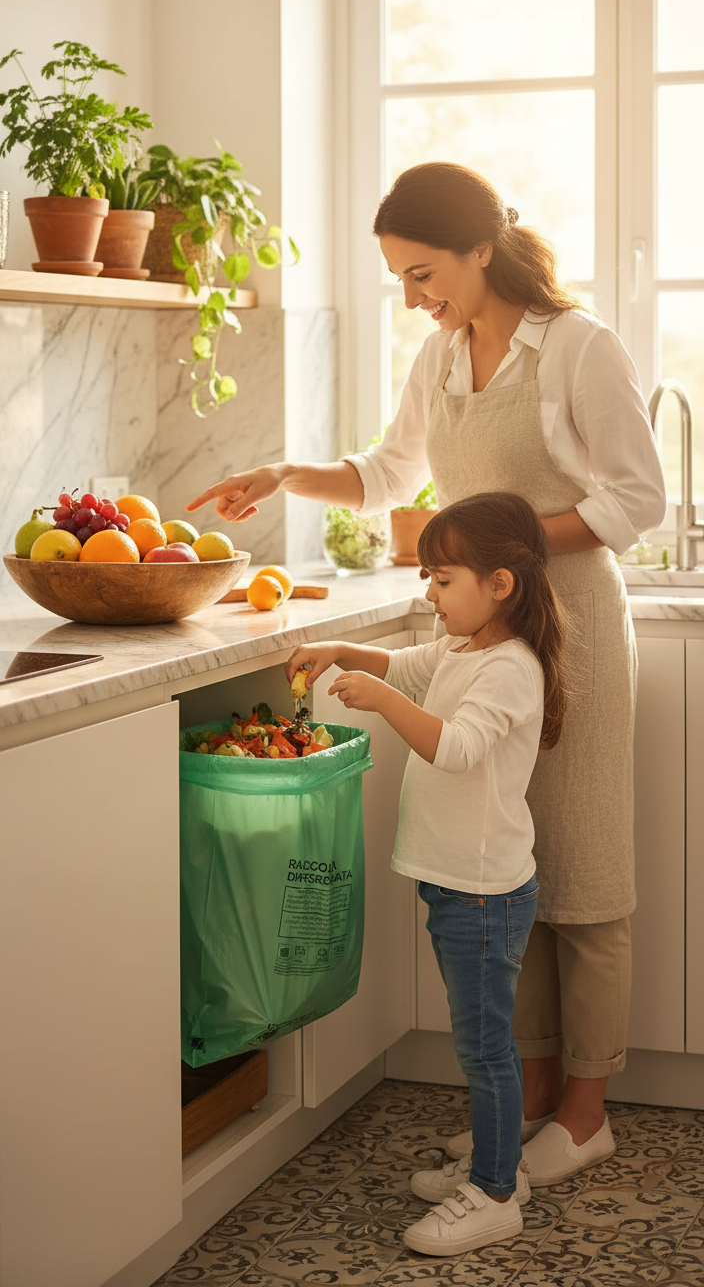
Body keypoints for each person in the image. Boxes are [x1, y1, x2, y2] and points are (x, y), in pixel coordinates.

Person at [186, 161, 667, 1187]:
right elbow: (386, 474)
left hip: (570, 619)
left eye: (419, 272)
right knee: (503, 872)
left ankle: (584, 1114)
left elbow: (636, 501)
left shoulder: (578, 347)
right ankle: (526, 1100)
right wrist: (281, 473)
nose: (411, 296)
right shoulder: (440, 356)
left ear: (477, 249)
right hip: (477, 633)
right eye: (400, 280)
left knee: (582, 876)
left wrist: (486, 538)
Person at [284, 492, 565, 1254]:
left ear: (498, 584)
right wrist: (343, 653)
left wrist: (377, 700)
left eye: (442, 580)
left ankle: (496, 1192)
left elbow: (456, 747)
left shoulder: (509, 669)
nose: (428, 594)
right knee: (478, 1038)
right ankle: (497, 1159)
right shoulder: (464, 649)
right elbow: (400, 665)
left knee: (483, 1046)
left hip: (482, 891)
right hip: (457, 883)